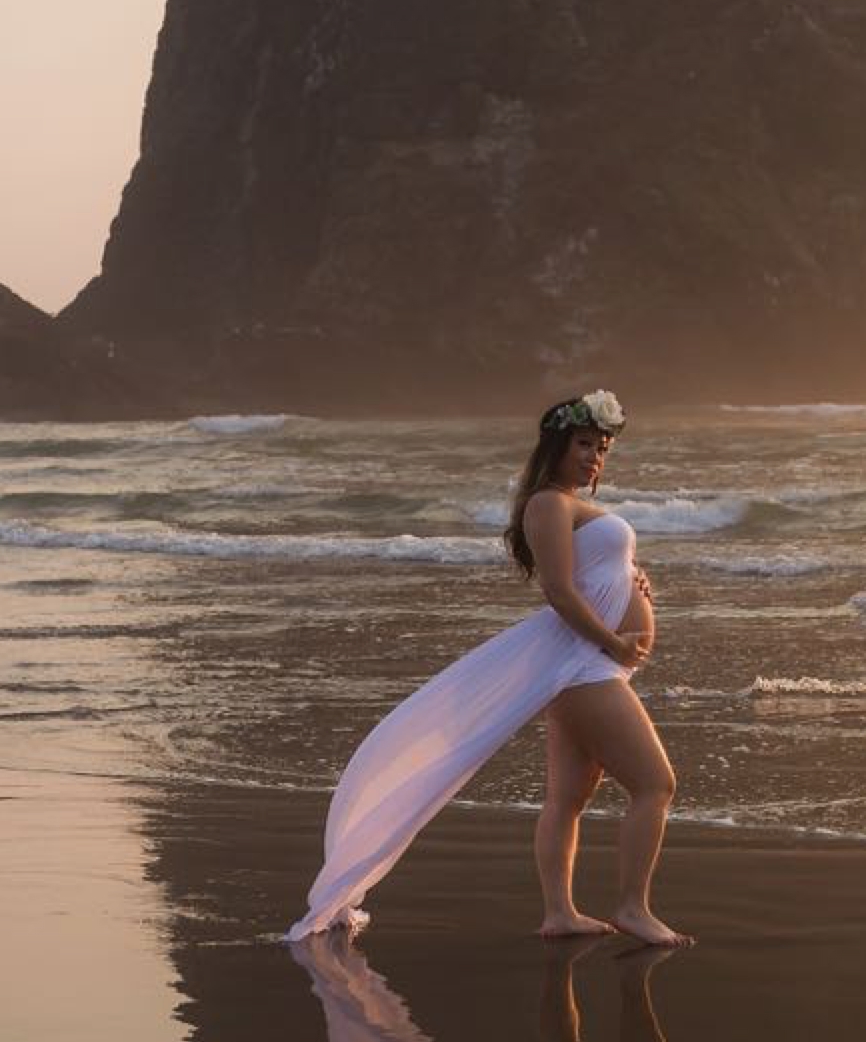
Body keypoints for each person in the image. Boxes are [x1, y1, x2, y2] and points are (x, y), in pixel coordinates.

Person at [284, 389, 691, 947]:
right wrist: (614, 644)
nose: (595, 457)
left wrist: (635, 579)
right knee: (655, 784)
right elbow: (557, 590)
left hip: (590, 665)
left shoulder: (571, 504)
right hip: (584, 665)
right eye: (583, 445)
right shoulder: (549, 503)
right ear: (555, 446)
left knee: (568, 798)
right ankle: (633, 907)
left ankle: (560, 913)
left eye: (602, 448)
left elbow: (596, 573)